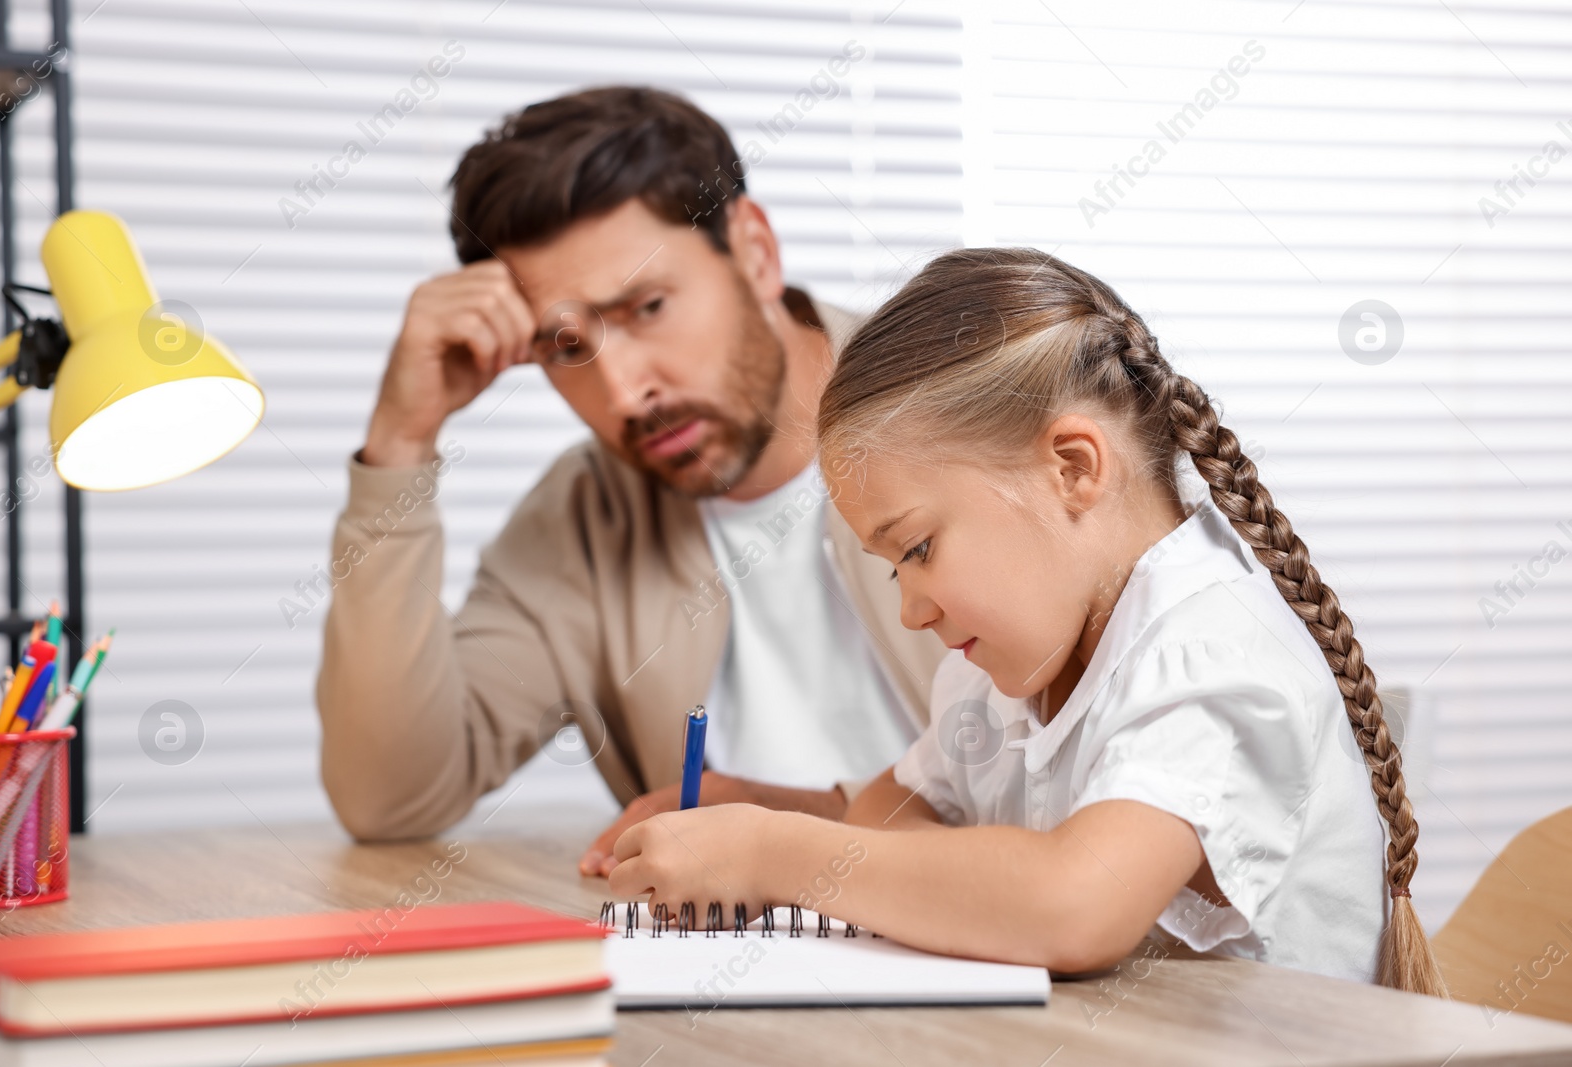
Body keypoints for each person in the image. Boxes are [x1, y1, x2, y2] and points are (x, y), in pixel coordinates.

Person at [607, 248, 1449, 995]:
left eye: (921, 546)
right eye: (892, 566)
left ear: (1073, 468)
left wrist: (774, 854)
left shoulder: (1210, 654)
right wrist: (781, 823)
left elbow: (1073, 907)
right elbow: (889, 810)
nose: (911, 606)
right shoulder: (1000, 672)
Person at [315, 86, 944, 874]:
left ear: (754, 250)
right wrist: (399, 445)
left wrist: (809, 822)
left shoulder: (969, 413)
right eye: (565, 346)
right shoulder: (582, 519)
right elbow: (389, 795)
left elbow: (1103, 796)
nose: (621, 393)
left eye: (647, 306)